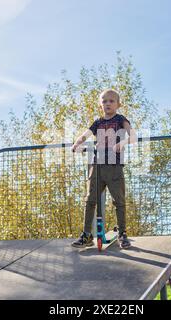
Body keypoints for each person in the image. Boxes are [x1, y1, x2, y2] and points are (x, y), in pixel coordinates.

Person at [71, 89, 137, 249]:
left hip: (114, 166)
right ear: (101, 104)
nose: (108, 104)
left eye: (111, 101)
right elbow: (85, 134)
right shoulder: (98, 122)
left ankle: (122, 234)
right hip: (97, 165)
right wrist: (77, 143)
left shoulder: (121, 119)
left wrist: (121, 144)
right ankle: (87, 235)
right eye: (104, 101)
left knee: (119, 201)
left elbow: (133, 137)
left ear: (118, 104)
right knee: (90, 199)